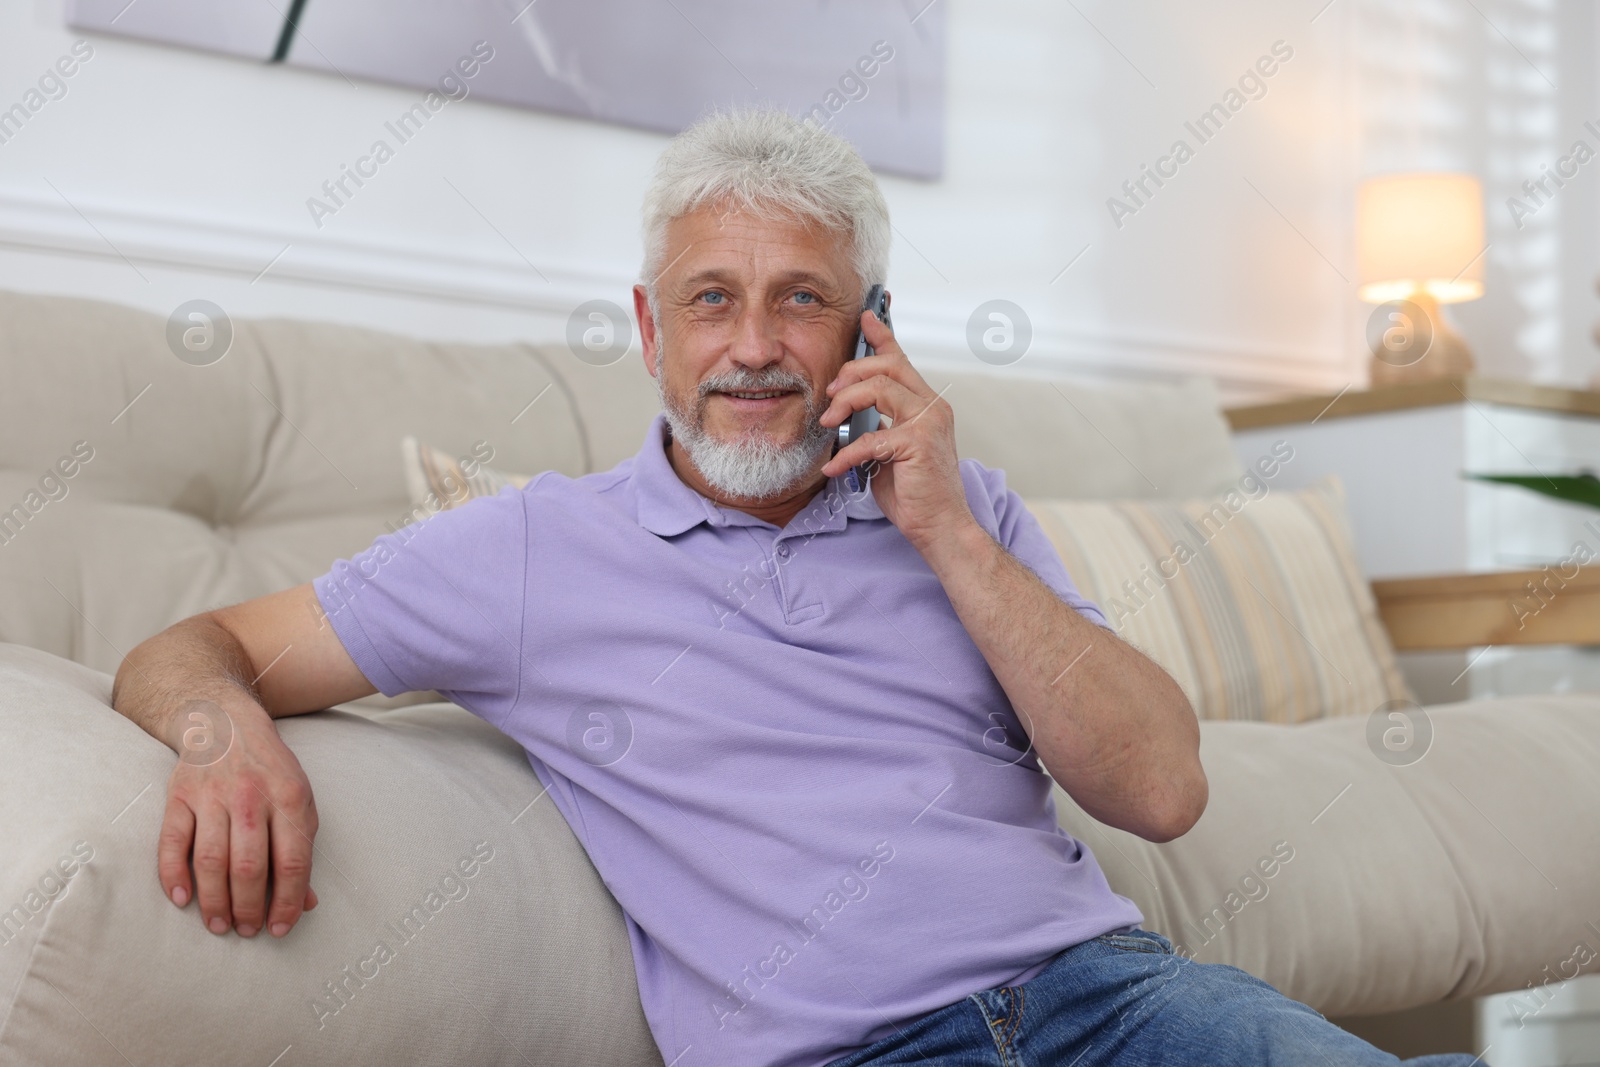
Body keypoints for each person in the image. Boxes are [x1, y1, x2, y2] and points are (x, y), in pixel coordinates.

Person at [113, 107, 1485, 1067]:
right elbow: (198, 645)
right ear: (652, 329)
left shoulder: (968, 509)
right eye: (712, 299)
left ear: (871, 329)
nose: (755, 347)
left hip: (1117, 1005)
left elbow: (1160, 791)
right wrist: (220, 732)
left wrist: (946, 530)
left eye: (802, 301)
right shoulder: (529, 552)